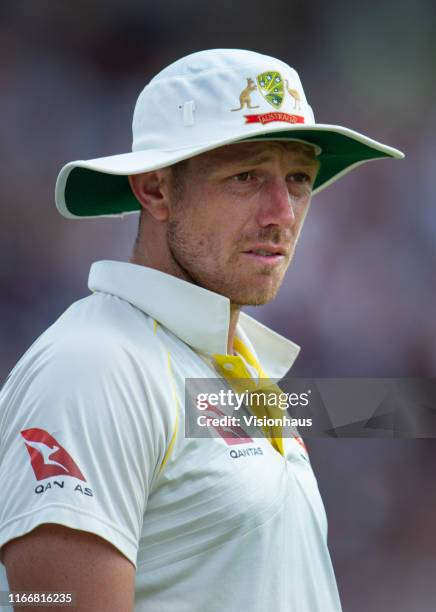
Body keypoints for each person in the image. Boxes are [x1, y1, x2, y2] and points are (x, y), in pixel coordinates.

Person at [0, 49, 403, 611]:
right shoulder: (92, 367)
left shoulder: (223, 364)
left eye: (299, 179)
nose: (281, 213)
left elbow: (384, 410)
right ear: (156, 190)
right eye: (246, 176)